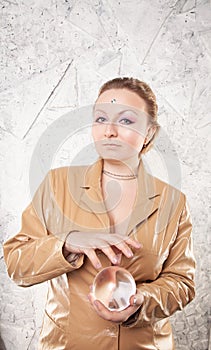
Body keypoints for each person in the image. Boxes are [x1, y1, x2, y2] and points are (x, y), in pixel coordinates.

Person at [3, 77, 195, 350]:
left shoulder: (174, 202)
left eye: (126, 121)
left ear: (150, 132)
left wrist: (141, 301)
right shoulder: (57, 185)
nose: (110, 131)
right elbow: (16, 264)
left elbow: (182, 283)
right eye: (101, 119)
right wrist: (65, 243)